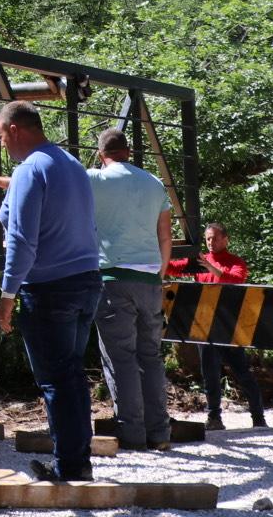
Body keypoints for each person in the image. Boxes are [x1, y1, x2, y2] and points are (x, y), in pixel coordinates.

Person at [0, 101, 102, 483]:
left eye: (1, 135)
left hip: (49, 290)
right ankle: (78, 461)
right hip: (86, 281)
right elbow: (44, 196)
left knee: (56, 380)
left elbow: (21, 239)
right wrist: (2, 183)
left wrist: (7, 294)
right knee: (71, 375)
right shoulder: (67, 162)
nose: (2, 144)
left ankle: (69, 467)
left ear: (14, 129)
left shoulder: (31, 168)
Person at [87, 127, 174, 451]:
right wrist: (159, 272)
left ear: (101, 155)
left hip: (114, 279)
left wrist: (0, 182)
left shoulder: (96, 179)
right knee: (150, 356)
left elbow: (51, 184)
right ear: (128, 152)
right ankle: (160, 434)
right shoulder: (153, 183)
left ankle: (133, 434)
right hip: (150, 279)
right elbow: (165, 236)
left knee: (120, 358)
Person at [193, 222, 266, 430]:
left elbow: (236, 278)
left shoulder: (235, 262)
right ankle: (214, 418)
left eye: (215, 238)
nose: (210, 242)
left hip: (231, 328)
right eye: (207, 238)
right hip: (205, 327)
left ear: (226, 239)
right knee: (210, 375)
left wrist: (211, 268)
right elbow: (173, 267)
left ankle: (258, 417)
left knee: (242, 372)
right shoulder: (200, 261)